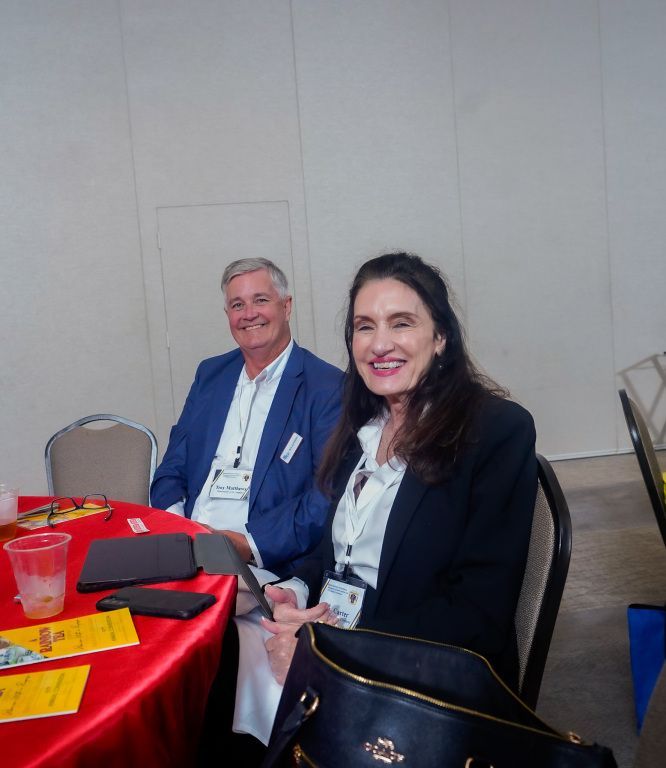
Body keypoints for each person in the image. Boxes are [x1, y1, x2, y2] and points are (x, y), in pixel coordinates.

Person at [229, 251, 537, 757]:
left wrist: (329, 643)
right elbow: (337, 552)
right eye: (364, 327)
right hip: (344, 640)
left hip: (421, 685)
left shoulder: (495, 431)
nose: (379, 344)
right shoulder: (361, 426)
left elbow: (477, 617)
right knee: (224, 652)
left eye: (402, 323)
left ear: (441, 337)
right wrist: (297, 589)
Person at [150, 257, 343, 577]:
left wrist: (248, 544)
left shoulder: (326, 387)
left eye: (261, 300)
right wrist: (178, 529)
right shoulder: (210, 375)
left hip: (262, 560)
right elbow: (172, 466)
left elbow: (327, 497)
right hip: (186, 547)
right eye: (237, 305)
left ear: (286, 306)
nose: (249, 314)